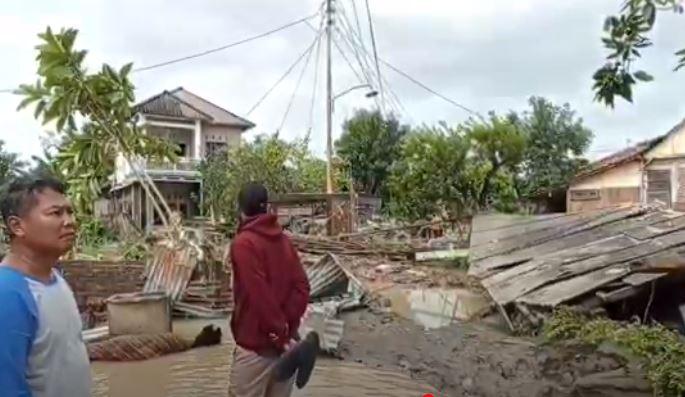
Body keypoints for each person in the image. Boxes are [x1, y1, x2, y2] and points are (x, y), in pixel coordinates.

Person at [0, 176, 91, 397]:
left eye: (69, 212)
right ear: (17, 226)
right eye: (55, 213)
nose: (69, 221)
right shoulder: (8, 294)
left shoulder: (56, 278)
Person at [228, 182, 310, 397]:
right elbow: (302, 287)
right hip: (287, 352)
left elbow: (259, 296)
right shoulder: (283, 241)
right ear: (267, 208)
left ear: (241, 209)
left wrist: (279, 336)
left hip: (257, 350)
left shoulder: (243, 244)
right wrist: (288, 327)